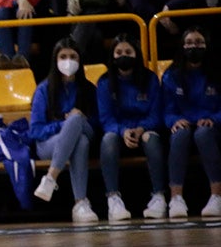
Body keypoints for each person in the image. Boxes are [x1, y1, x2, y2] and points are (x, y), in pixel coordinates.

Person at [96, 34, 167, 220]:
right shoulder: (104, 82)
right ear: (112, 56)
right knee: (108, 138)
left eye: (128, 52)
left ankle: (159, 196)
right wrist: (123, 131)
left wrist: (141, 128)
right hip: (119, 131)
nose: (123, 55)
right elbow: (106, 119)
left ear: (136, 55)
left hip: (144, 130)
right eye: (118, 52)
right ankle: (113, 199)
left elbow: (156, 114)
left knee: (151, 139)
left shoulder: (150, 79)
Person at [31, 37, 100, 224]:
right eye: (63, 56)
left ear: (80, 60)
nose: (68, 61)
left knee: (78, 121)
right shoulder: (44, 89)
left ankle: (51, 178)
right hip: (49, 144)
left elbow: (96, 123)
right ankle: (81, 203)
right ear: (55, 60)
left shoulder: (88, 89)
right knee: (80, 141)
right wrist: (65, 124)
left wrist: (76, 120)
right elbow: (35, 131)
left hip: (86, 131)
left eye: (73, 56)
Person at [162, 27, 221, 218]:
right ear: (182, 46)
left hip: (212, 124)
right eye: (189, 43)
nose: (193, 47)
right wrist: (174, 120)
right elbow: (167, 109)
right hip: (185, 122)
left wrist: (214, 118)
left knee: (203, 134)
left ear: (206, 46)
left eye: (198, 43)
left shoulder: (217, 72)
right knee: (179, 134)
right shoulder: (172, 75)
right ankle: (176, 198)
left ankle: (216, 196)